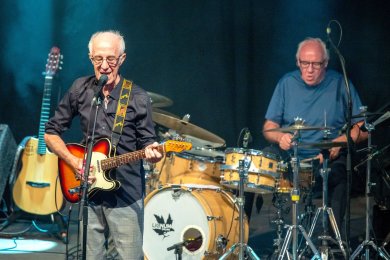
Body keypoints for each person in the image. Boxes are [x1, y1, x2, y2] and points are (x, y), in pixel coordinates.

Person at [44, 30, 162, 259]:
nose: (105, 65)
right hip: (88, 192)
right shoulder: (80, 89)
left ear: (122, 59)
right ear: (90, 58)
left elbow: (149, 142)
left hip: (126, 193)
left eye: (111, 59)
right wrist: (73, 161)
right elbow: (51, 133)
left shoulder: (137, 97)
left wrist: (154, 153)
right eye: (99, 59)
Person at [262, 37, 368, 233]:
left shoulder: (340, 84)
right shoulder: (287, 83)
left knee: (342, 170)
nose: (310, 69)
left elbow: (362, 127)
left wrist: (339, 143)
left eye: (316, 64)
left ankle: (332, 237)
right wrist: (279, 137)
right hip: (291, 160)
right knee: (249, 168)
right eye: (305, 63)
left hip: (326, 159)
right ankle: (241, 233)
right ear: (298, 62)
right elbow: (269, 126)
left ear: (325, 63)